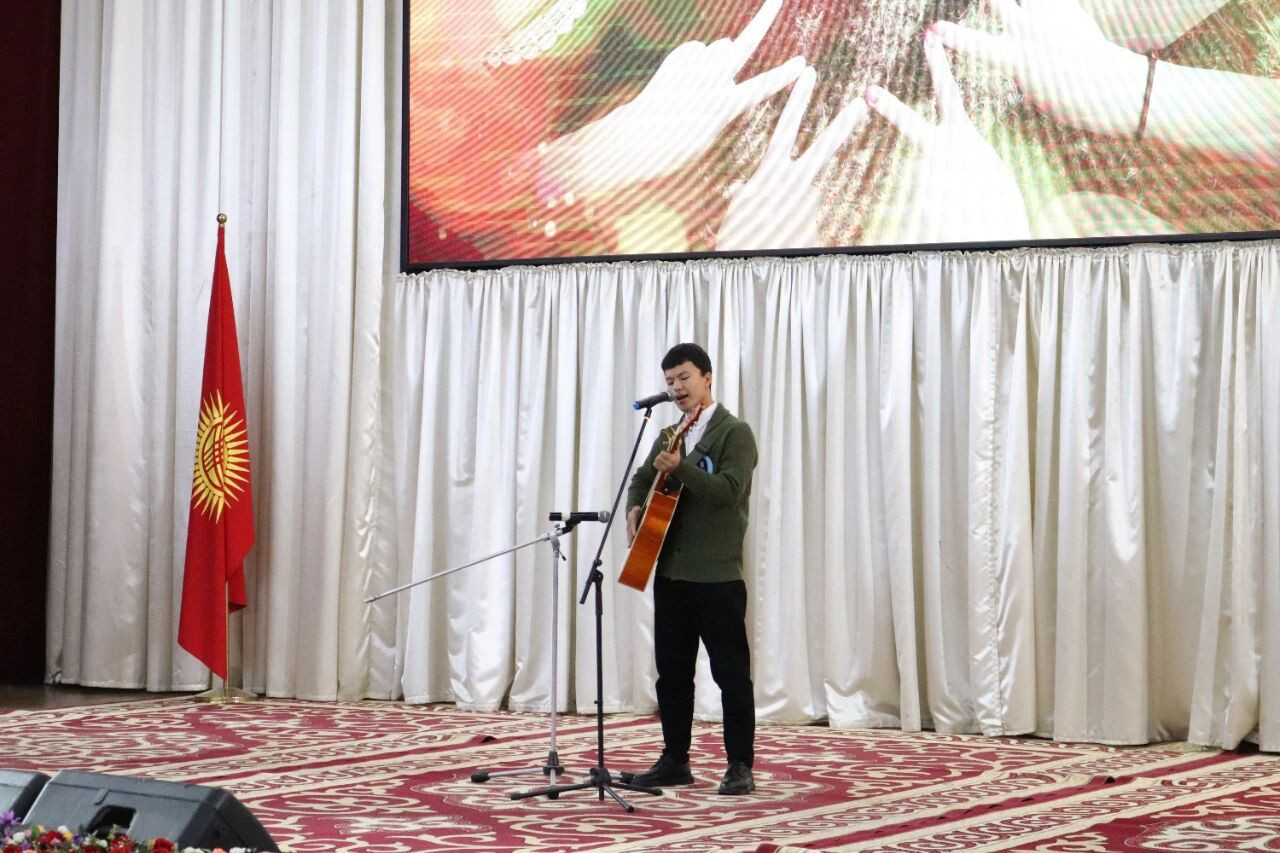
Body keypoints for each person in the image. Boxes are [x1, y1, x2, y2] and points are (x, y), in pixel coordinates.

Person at [622, 343, 759, 796]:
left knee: (730, 675)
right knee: (672, 674)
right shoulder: (669, 434)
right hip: (671, 574)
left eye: (684, 378)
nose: (676, 388)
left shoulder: (734, 433)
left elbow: (729, 492)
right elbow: (642, 478)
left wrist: (682, 469)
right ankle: (675, 760)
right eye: (669, 382)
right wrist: (635, 507)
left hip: (718, 577)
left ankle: (739, 765)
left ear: (707, 377)